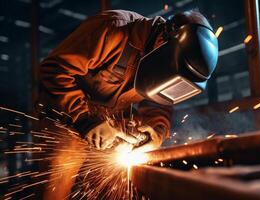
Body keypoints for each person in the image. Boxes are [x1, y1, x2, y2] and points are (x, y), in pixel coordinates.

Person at [39, 9, 218, 199]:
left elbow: (159, 101)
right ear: (163, 40)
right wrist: (85, 119)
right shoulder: (113, 30)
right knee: (58, 180)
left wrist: (154, 131)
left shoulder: (164, 59)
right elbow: (54, 70)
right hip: (66, 112)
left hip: (110, 122)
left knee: (113, 184)